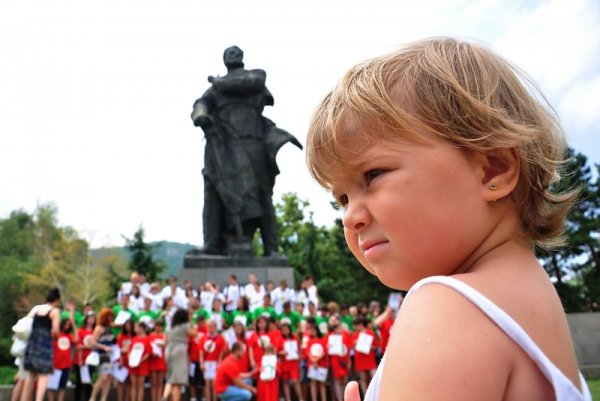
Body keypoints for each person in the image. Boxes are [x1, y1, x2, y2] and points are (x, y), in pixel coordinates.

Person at [306, 37, 591, 400]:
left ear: (494, 169)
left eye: (374, 174)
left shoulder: (447, 307)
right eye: (342, 198)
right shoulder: (539, 313)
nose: (350, 217)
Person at [190, 45, 301, 256]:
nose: (233, 54)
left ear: (242, 57)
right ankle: (212, 244)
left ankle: (272, 248)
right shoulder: (214, 91)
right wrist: (201, 114)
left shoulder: (255, 77)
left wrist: (217, 81)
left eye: (236, 52)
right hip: (222, 145)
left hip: (254, 144)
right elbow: (201, 103)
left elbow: (253, 82)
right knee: (213, 192)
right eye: (229, 53)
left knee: (262, 194)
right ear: (224, 59)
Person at [20, 287, 61, 401]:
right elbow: (56, 330)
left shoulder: (36, 308)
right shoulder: (54, 311)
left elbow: (26, 323)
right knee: (43, 375)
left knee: (31, 375)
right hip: (45, 345)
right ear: (57, 300)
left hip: (32, 344)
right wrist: (55, 337)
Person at [163, 308, 196, 401]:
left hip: (168, 351)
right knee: (178, 381)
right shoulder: (184, 326)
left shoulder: (169, 328)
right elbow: (195, 333)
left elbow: (164, 342)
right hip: (179, 352)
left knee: (170, 378)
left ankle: (164, 397)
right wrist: (190, 321)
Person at [88, 308, 116, 401]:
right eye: (109, 317)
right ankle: (93, 397)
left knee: (108, 378)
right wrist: (103, 347)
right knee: (102, 378)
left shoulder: (110, 327)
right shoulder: (99, 328)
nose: (110, 318)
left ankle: (104, 398)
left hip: (109, 355)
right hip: (100, 355)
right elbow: (92, 341)